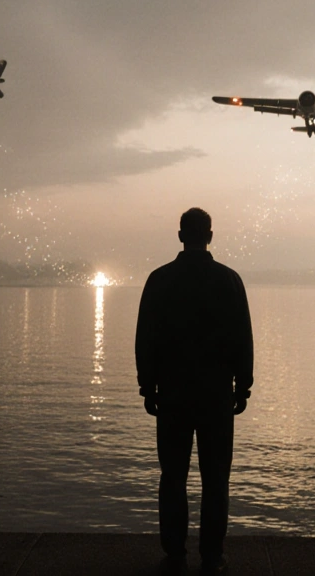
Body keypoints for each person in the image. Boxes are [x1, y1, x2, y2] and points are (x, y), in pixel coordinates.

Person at [135, 207, 254, 574]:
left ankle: (174, 550)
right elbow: (242, 337)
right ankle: (212, 554)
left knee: (173, 474)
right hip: (216, 392)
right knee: (216, 476)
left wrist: (147, 384)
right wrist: (243, 384)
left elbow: (146, 337)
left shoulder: (159, 280)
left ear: (180, 235)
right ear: (210, 236)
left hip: (172, 391)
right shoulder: (229, 280)